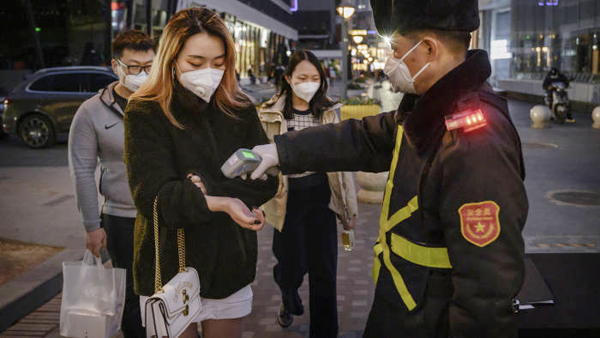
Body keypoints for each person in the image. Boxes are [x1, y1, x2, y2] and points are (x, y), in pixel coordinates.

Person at [249, 0, 528, 337]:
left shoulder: (473, 138)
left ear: (428, 49)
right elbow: (362, 139)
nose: (388, 63)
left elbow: (488, 288)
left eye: (396, 50)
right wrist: (279, 150)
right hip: (406, 308)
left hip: (428, 321)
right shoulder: (429, 112)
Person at [123, 8, 278, 338]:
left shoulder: (238, 107)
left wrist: (207, 190)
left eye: (219, 62)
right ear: (172, 58)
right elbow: (153, 194)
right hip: (167, 262)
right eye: (196, 63)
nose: (209, 71)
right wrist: (223, 202)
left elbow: (267, 177)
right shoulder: (145, 109)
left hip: (227, 261)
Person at [258, 50, 358, 337]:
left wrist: (348, 211)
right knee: (292, 264)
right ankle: (286, 286)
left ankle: (325, 332)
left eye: (315, 78)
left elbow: (342, 164)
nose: (309, 83)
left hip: (322, 196)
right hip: (287, 199)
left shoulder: (328, 112)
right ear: (288, 79)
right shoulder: (271, 113)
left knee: (324, 272)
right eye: (302, 77)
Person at [68, 30, 155, 338]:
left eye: (149, 66)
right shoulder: (91, 112)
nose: (142, 74)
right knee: (133, 297)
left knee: (170, 290)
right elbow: (82, 171)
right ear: (115, 65)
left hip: (166, 215)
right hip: (121, 221)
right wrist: (92, 226)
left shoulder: (163, 103)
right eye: (134, 66)